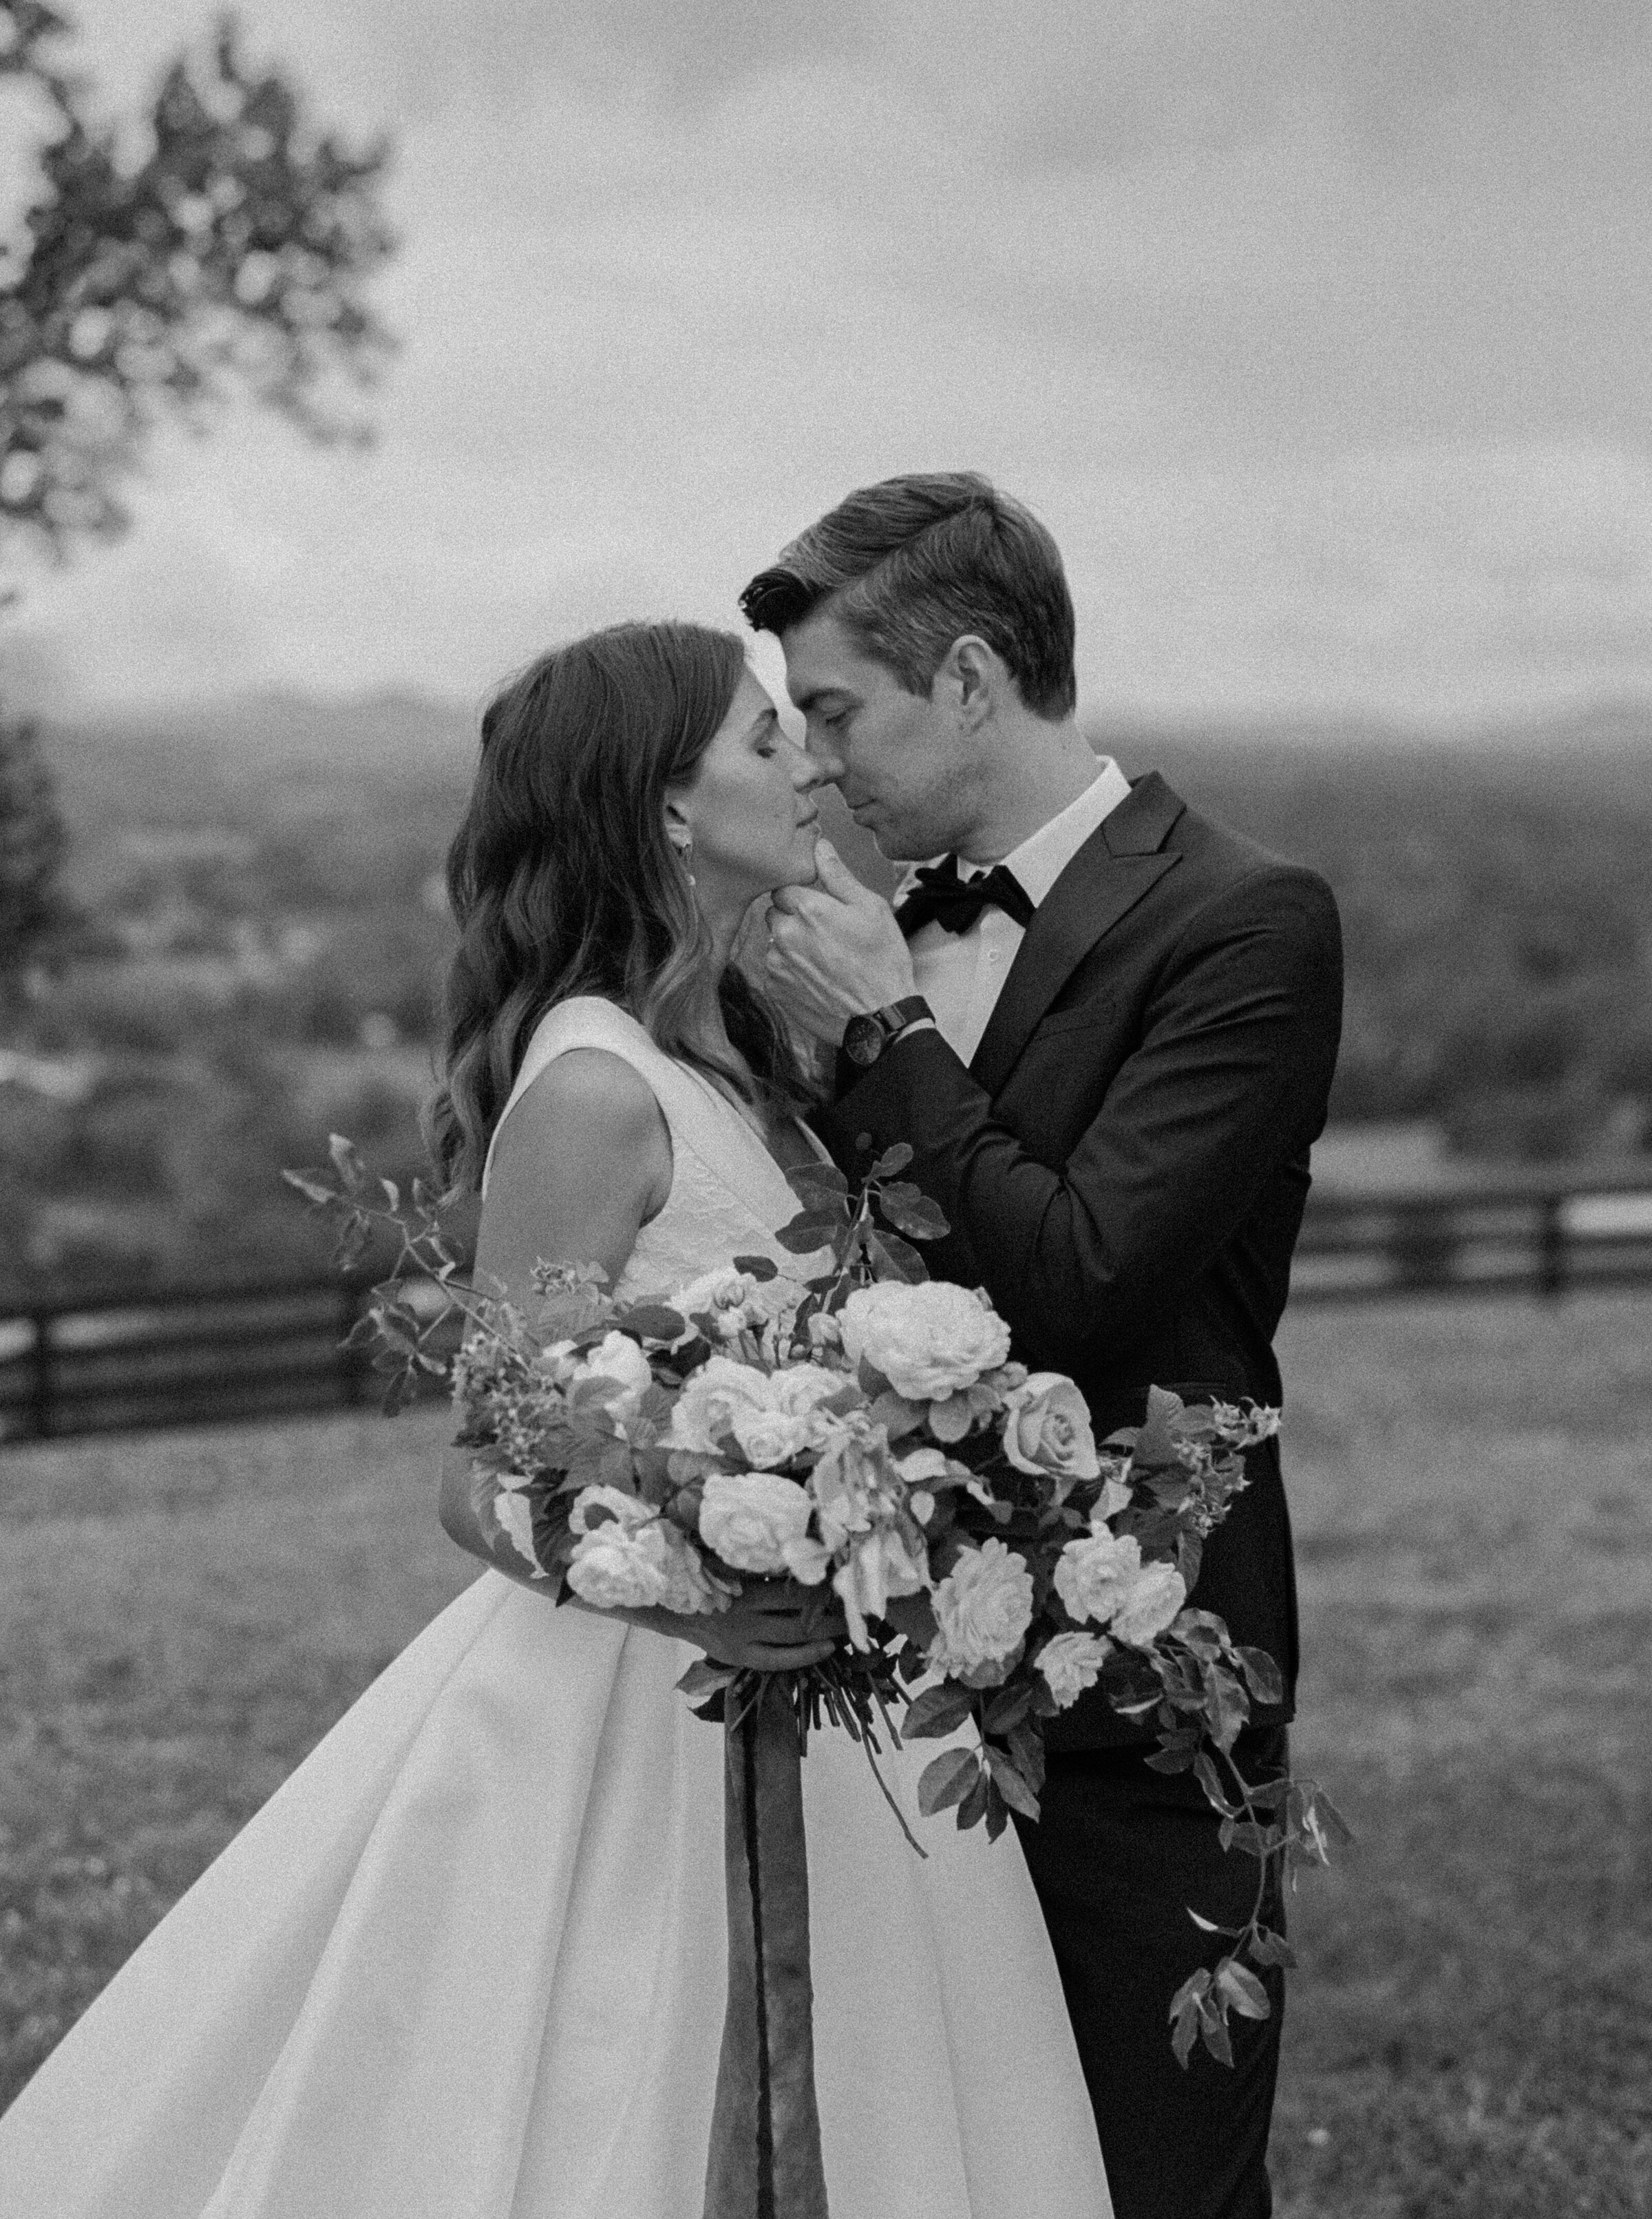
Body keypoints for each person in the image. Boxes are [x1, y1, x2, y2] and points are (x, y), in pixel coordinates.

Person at [0, 620, 1110, 2218]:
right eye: (756, 736)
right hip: (656, 1716)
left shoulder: (745, 1045)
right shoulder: (596, 1088)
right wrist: (709, 1571)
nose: (804, 759)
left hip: (852, 1697)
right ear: (665, 807)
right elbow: (487, 1468)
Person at [743, 475, 1344, 2219]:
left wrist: (882, 1030)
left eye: (838, 710)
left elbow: (1083, 1273)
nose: (820, 760)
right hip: (904, 1696)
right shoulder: (858, 932)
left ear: (972, 679)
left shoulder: (1246, 920)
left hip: (1151, 1694)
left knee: (1155, 2184)